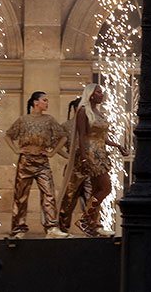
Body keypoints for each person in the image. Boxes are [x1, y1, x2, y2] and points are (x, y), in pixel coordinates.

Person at [58, 84, 128, 237]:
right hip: (91, 153)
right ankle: (85, 220)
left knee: (97, 190)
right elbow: (82, 136)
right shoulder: (83, 111)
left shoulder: (98, 113)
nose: (101, 95)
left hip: (101, 152)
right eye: (98, 92)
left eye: (101, 92)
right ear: (90, 94)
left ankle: (92, 224)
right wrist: (84, 158)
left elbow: (102, 137)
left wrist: (117, 145)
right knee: (106, 187)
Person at [5, 91, 70, 239]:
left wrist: (52, 152)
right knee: (21, 195)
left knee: (49, 194)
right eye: (44, 100)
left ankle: (52, 227)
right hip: (26, 161)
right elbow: (8, 135)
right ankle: (18, 228)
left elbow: (63, 137)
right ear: (35, 102)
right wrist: (16, 150)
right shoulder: (23, 120)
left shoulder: (49, 120)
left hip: (42, 161)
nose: (47, 103)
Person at [57, 97, 93, 233]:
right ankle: (63, 227)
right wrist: (69, 157)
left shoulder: (90, 125)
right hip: (73, 168)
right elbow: (56, 145)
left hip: (89, 166)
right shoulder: (66, 126)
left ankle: (91, 226)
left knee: (92, 198)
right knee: (69, 199)